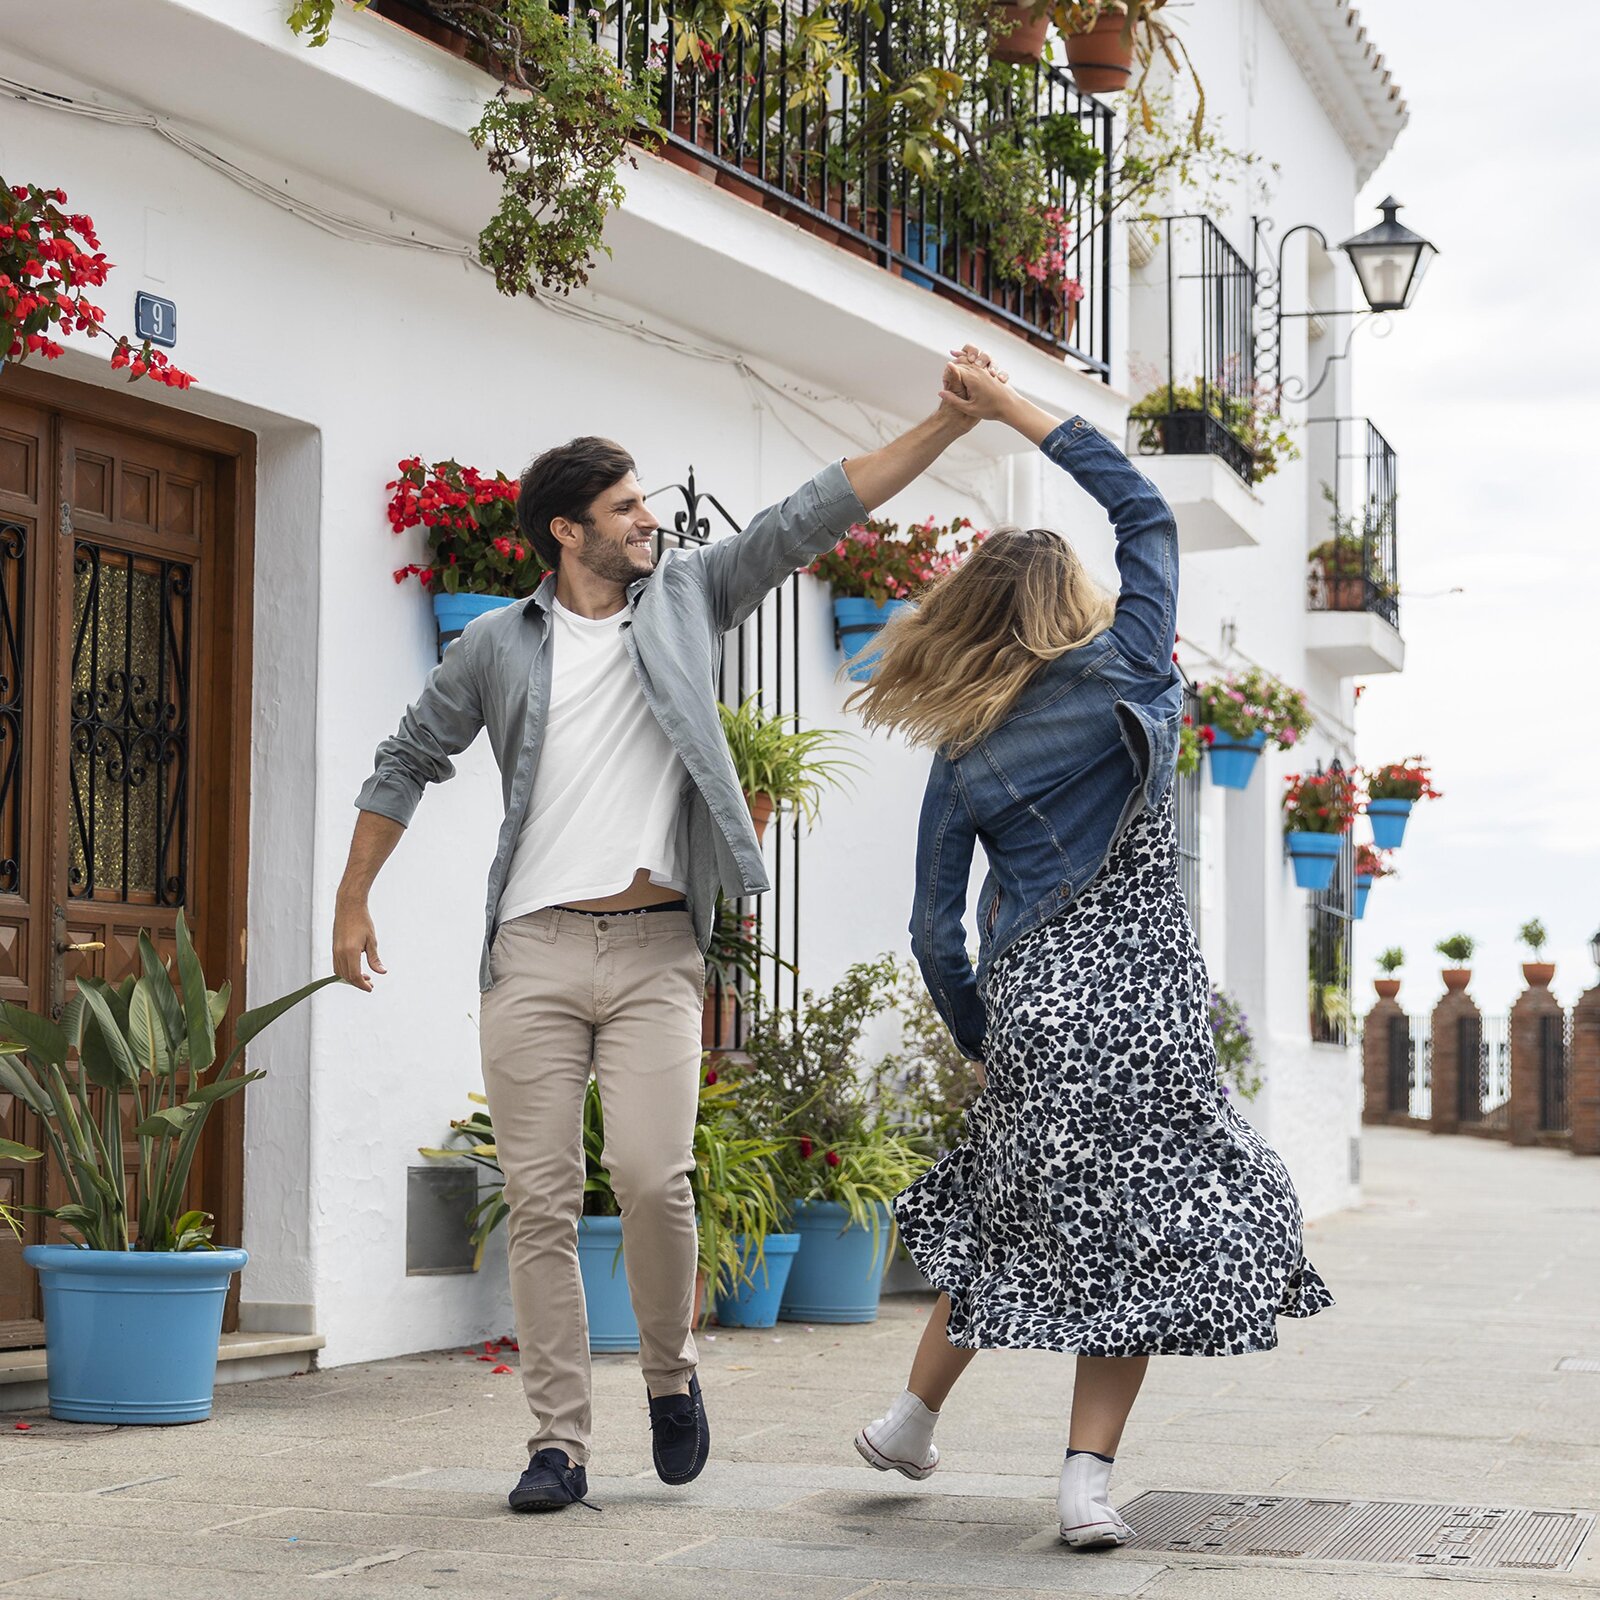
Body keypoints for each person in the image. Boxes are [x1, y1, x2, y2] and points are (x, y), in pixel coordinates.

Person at [333, 357, 990, 1514]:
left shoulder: (686, 594)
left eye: (648, 503)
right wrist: (352, 900)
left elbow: (812, 512)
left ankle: (671, 1379)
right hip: (532, 950)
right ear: (565, 531)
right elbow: (405, 759)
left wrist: (943, 421)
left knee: (652, 1178)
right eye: (628, 508)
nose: (652, 520)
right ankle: (557, 1444)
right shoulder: (493, 644)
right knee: (538, 1199)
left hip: (654, 950)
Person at [848, 356, 1333, 1549]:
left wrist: (984, 1034)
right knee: (1139, 1225)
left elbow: (931, 926)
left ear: (964, 621)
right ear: (1066, 611)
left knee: (1014, 1207)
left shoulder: (961, 754)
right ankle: (1083, 1485)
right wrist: (1015, 406)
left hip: (1032, 1006)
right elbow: (1145, 511)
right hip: (1150, 1009)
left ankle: (912, 1418)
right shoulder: (1128, 666)